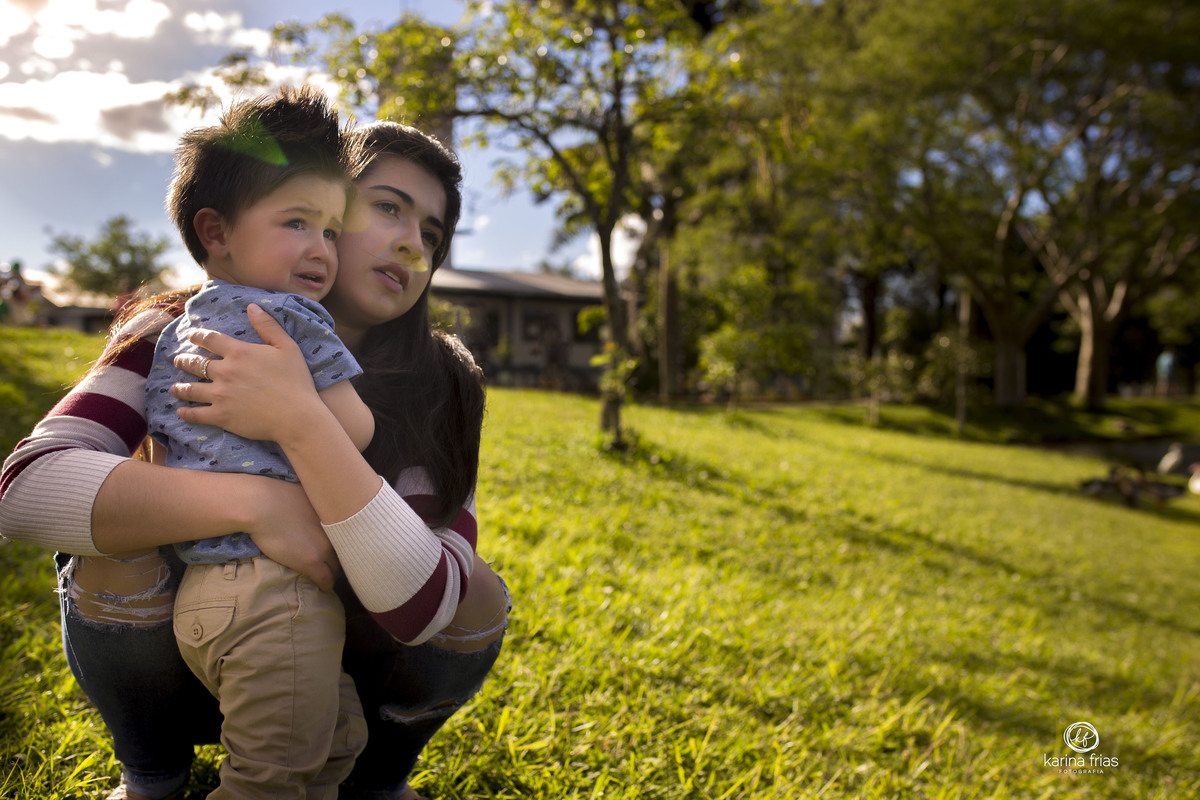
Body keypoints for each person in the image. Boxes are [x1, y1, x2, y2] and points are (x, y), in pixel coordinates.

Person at [0, 110, 509, 800]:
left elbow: (423, 607)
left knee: (476, 589)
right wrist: (260, 502)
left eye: (432, 234)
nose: (413, 247)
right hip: (197, 637)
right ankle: (152, 774)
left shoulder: (439, 384)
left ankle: (377, 783)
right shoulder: (185, 327)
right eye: (386, 208)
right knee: (110, 545)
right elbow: (27, 488)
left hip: (340, 670)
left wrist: (303, 421)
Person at [139, 86, 373, 798]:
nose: (320, 249)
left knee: (336, 741)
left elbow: (156, 456)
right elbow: (354, 429)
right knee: (272, 779)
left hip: (201, 600)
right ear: (216, 232)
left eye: (331, 230)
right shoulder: (293, 320)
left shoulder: (172, 337)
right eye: (297, 222)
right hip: (279, 595)